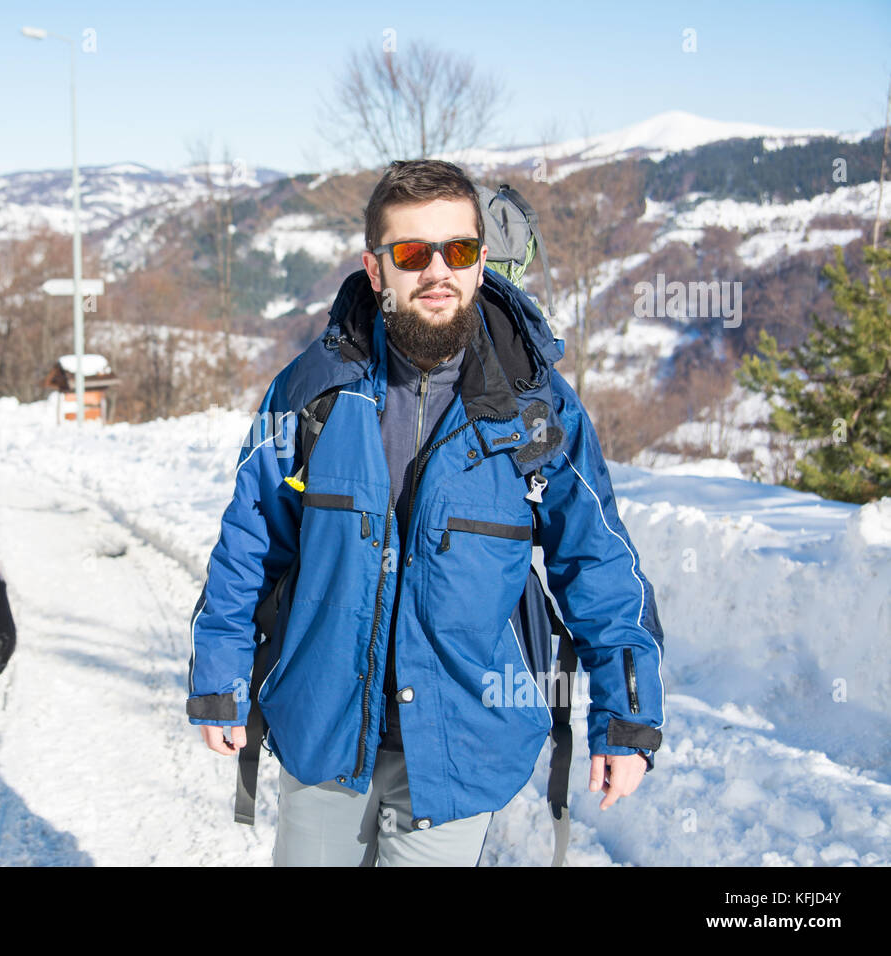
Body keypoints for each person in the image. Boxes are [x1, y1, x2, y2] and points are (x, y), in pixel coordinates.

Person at [186, 160, 666, 866]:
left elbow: (596, 559)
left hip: (461, 743)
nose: (437, 270)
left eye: (459, 250)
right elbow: (251, 537)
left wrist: (626, 717)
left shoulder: (536, 409)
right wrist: (220, 672)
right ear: (376, 270)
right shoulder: (310, 391)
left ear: (479, 262)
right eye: (412, 253)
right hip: (324, 732)